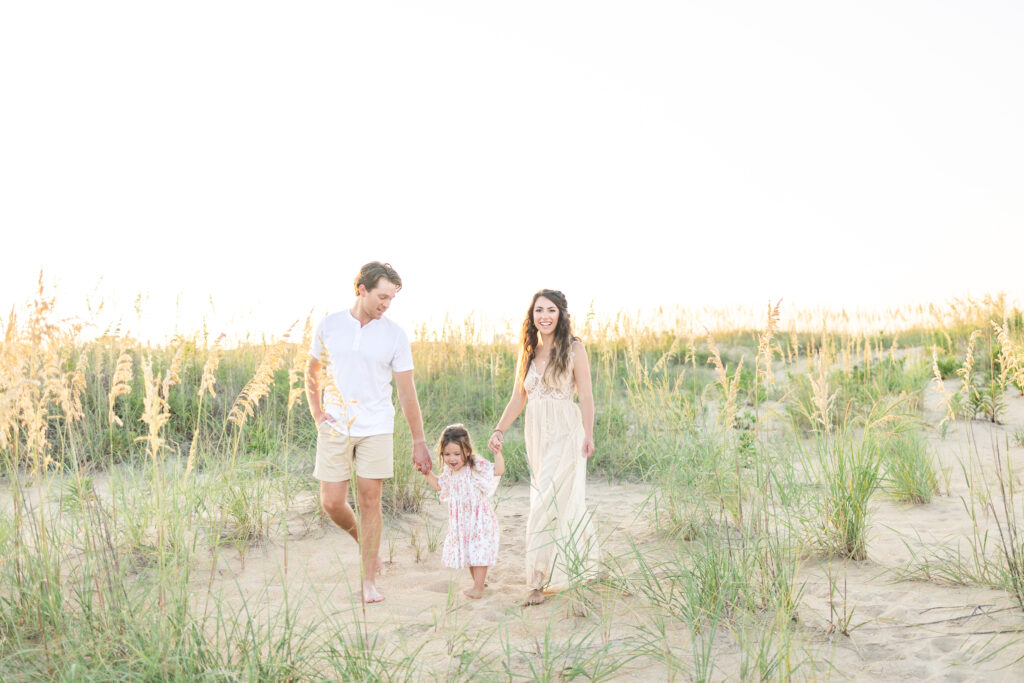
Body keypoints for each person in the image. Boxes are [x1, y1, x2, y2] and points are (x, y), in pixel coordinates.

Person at [305, 261, 433, 604]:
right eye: (382, 296)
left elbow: (407, 392)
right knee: (331, 502)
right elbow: (312, 372)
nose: (386, 304)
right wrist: (318, 413)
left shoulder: (394, 335)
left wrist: (419, 441)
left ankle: (369, 582)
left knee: (369, 500)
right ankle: (365, 541)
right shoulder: (330, 326)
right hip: (335, 427)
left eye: (391, 299)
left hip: (376, 426)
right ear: (361, 289)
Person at [488, 289, 600, 606]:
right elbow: (517, 398)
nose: (545, 316)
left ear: (561, 315)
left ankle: (537, 581)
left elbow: (587, 396)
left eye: (551, 310)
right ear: (532, 315)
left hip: (567, 432)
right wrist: (499, 428)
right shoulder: (528, 352)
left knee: (546, 502)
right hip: (537, 434)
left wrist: (589, 434)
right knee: (556, 499)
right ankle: (587, 563)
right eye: (539, 310)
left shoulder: (575, 349)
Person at [423, 424, 504, 599]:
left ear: (467, 451)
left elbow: (498, 471)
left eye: (456, 454)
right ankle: (478, 583)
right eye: (447, 454)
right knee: (469, 553)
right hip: (461, 522)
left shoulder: (475, 466)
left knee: (479, 551)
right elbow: (439, 485)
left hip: (479, 520)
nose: (452, 459)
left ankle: (478, 588)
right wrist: (426, 473)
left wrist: (498, 454)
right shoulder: (449, 472)